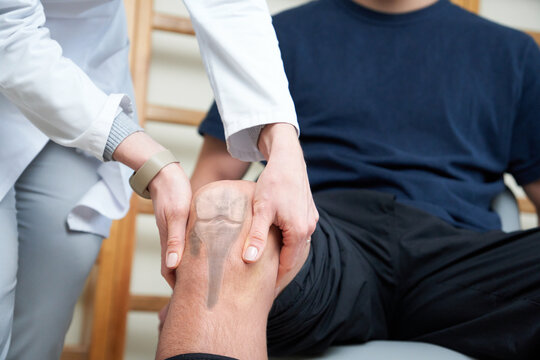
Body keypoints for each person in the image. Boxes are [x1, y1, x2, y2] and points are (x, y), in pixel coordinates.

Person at [156, 0, 540, 359]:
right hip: (322, 244)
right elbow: (216, 174)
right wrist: (193, 281)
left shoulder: (513, 54)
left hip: (459, 258)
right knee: (224, 209)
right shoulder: (277, 37)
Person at [0, 0, 317, 358]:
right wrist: (151, 160)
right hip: (12, 46)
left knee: (52, 290)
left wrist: (285, 146)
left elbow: (229, 6)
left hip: (80, 70)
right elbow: (8, 30)